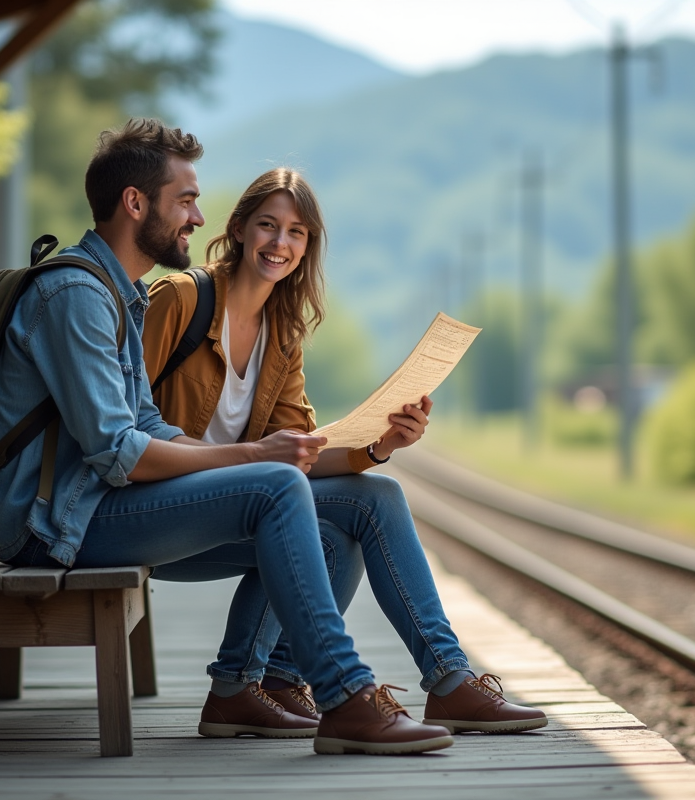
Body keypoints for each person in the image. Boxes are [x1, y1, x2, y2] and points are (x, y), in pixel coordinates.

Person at [0, 118, 456, 755]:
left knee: (346, 514)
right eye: (185, 200)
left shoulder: (115, 296)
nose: (196, 217)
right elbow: (117, 452)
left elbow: (148, 426)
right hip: (54, 521)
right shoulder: (76, 295)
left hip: (96, 504)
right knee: (275, 486)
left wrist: (370, 449)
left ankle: (247, 688)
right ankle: (344, 694)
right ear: (135, 203)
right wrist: (253, 457)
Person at [143, 167, 548, 738]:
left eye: (297, 232)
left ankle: (278, 684)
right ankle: (297, 682)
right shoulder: (179, 300)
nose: (280, 244)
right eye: (268, 226)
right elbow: (126, 424)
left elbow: (299, 455)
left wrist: (379, 445)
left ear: (308, 247)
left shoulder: (281, 333)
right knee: (299, 510)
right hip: (155, 514)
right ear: (237, 229)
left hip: (235, 505)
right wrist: (256, 456)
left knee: (370, 498)